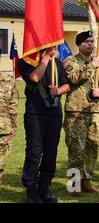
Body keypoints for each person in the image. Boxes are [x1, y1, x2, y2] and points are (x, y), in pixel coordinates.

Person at [18, 46, 70, 203]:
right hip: (35, 113)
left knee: (50, 152)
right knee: (35, 151)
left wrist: (59, 91)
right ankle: (31, 189)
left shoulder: (58, 64)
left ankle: (44, 188)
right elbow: (34, 77)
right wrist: (46, 57)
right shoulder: (26, 61)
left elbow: (66, 84)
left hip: (54, 113)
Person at [63, 31, 99, 195]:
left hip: (94, 112)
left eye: (92, 41)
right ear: (79, 44)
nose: (90, 44)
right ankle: (74, 185)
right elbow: (74, 78)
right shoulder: (70, 61)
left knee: (93, 147)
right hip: (76, 113)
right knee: (76, 150)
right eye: (87, 42)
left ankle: (87, 181)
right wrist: (92, 66)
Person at [0, 72, 19, 191]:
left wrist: (13, 125)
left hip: (3, 127)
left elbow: (13, 105)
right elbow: (13, 106)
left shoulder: (9, 80)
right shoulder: (8, 80)